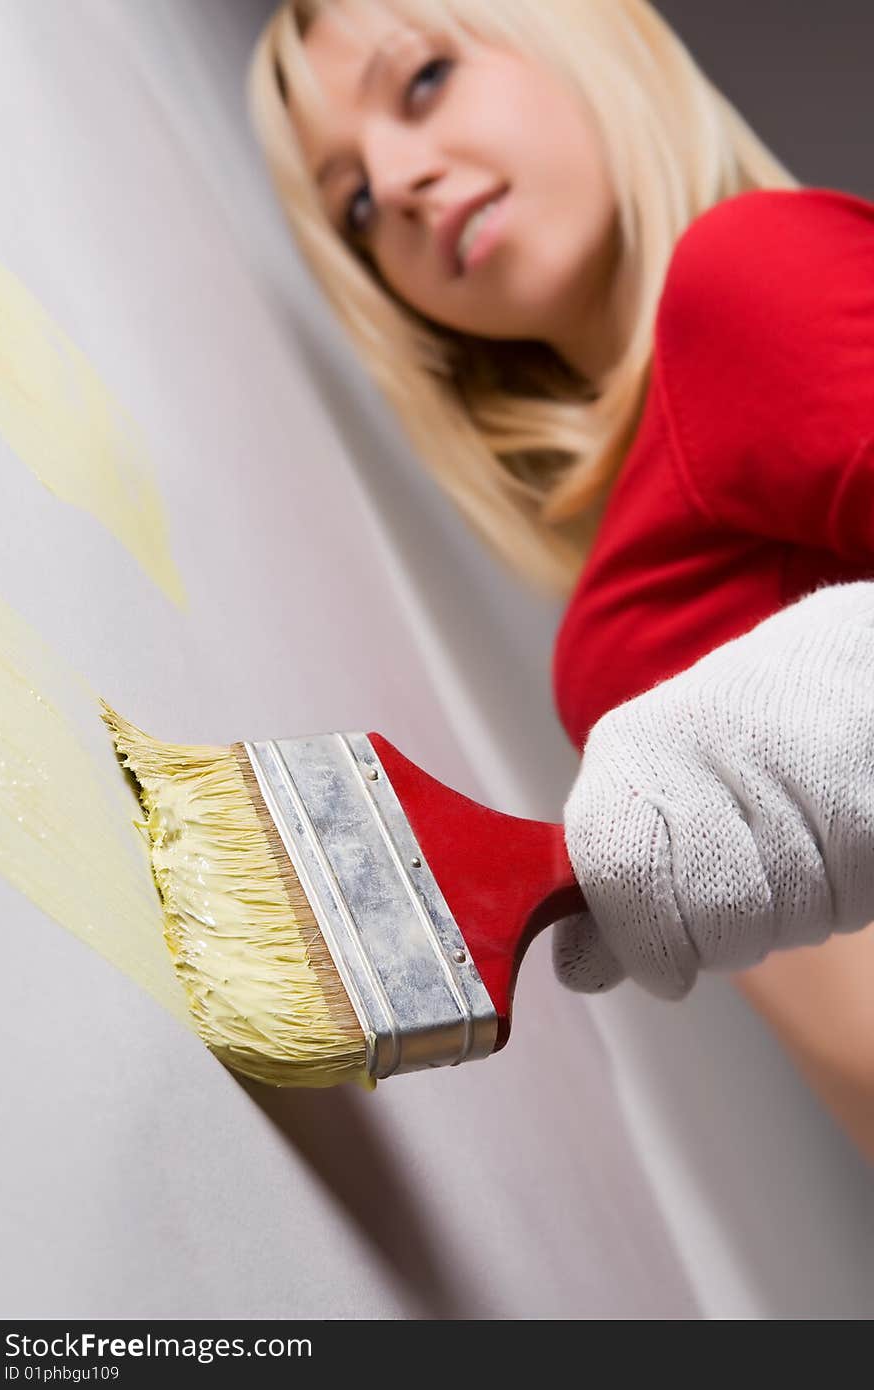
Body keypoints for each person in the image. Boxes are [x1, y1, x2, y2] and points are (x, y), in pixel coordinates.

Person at [247, 0, 874, 1158]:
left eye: (424, 80)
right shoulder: (620, 567)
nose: (400, 179)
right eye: (357, 206)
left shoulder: (750, 277)